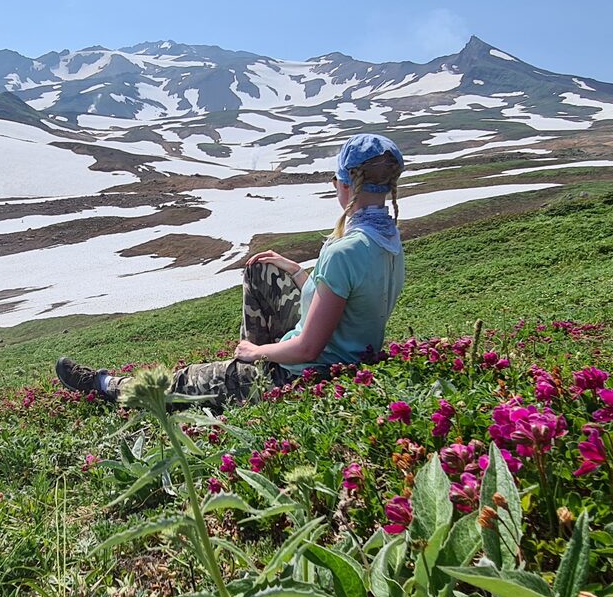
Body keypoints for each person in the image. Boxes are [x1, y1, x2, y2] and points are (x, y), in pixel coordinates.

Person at [56, 133, 407, 406]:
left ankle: (104, 385)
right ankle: (242, 374)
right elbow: (345, 303)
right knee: (263, 272)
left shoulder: (345, 251)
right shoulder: (387, 239)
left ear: (346, 185)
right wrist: (297, 270)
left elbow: (308, 349)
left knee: (182, 382)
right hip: (349, 355)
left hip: (310, 373)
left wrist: (258, 352)